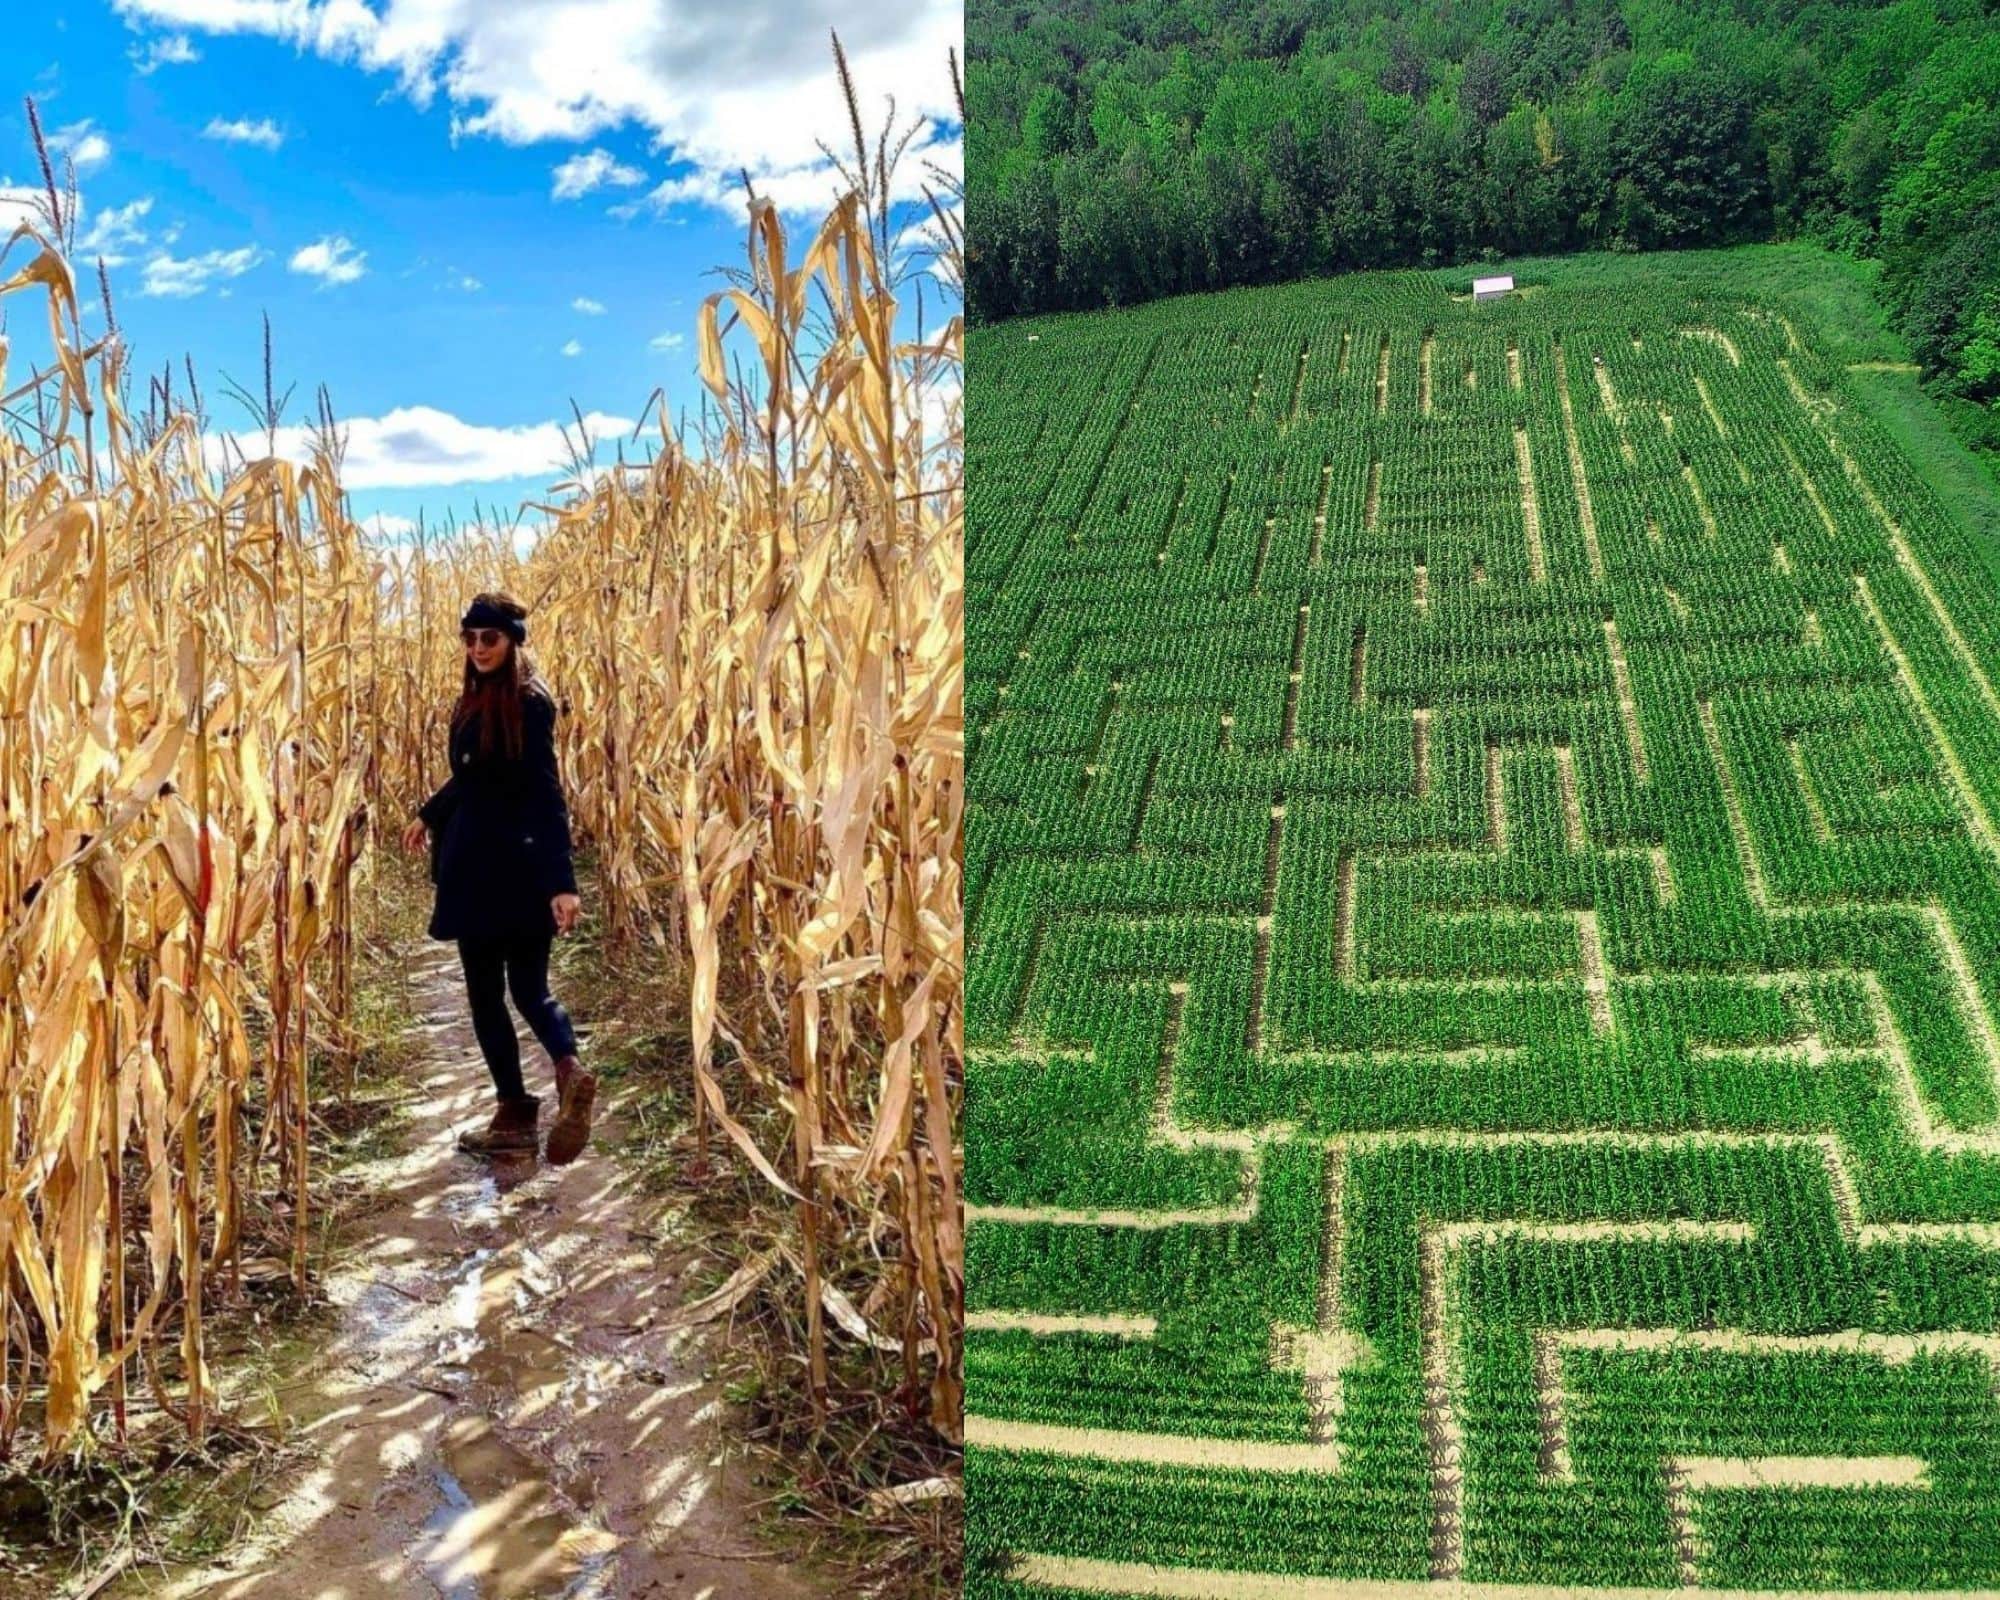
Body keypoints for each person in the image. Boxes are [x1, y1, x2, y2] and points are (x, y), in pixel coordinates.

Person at [398, 592, 597, 1164]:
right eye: (471, 638)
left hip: (487, 869)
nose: (479, 648)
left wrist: (563, 882)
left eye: (490, 638)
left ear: (512, 642)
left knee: (489, 995)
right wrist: (428, 814)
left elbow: (545, 791)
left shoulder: (528, 704)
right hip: (510, 868)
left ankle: (517, 1113)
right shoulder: (483, 699)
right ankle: (567, 1071)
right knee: (528, 989)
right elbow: (475, 778)